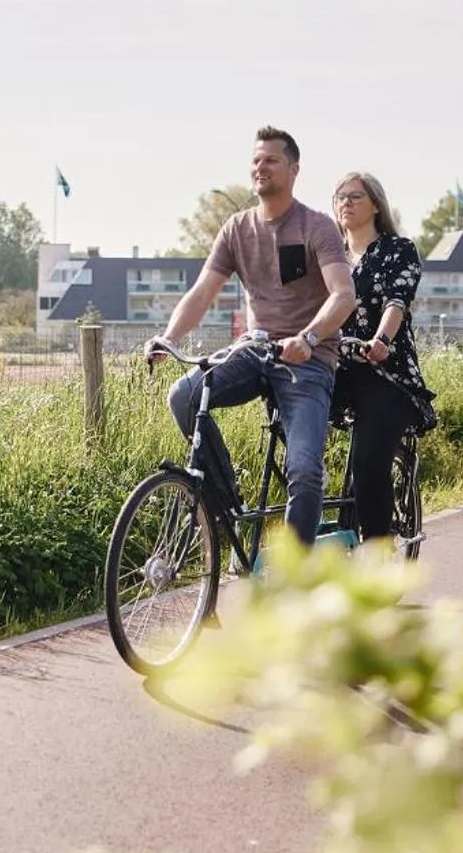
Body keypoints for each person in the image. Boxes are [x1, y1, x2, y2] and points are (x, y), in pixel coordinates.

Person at [147, 127, 356, 545]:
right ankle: (225, 505)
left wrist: (309, 338)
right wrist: (168, 339)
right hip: (255, 351)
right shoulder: (237, 228)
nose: (260, 167)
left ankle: (297, 575)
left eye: (271, 160)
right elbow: (203, 291)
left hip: (307, 361)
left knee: (304, 469)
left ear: (293, 170)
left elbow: (343, 295)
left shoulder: (316, 227)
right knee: (184, 396)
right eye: (256, 160)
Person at [330, 171, 438, 546]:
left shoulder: (398, 250)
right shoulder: (329, 256)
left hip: (385, 373)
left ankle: (376, 554)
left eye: (355, 196)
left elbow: (397, 300)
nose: (346, 202)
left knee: (369, 463)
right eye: (340, 196)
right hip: (337, 370)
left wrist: (381, 340)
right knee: (292, 437)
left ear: (375, 204)